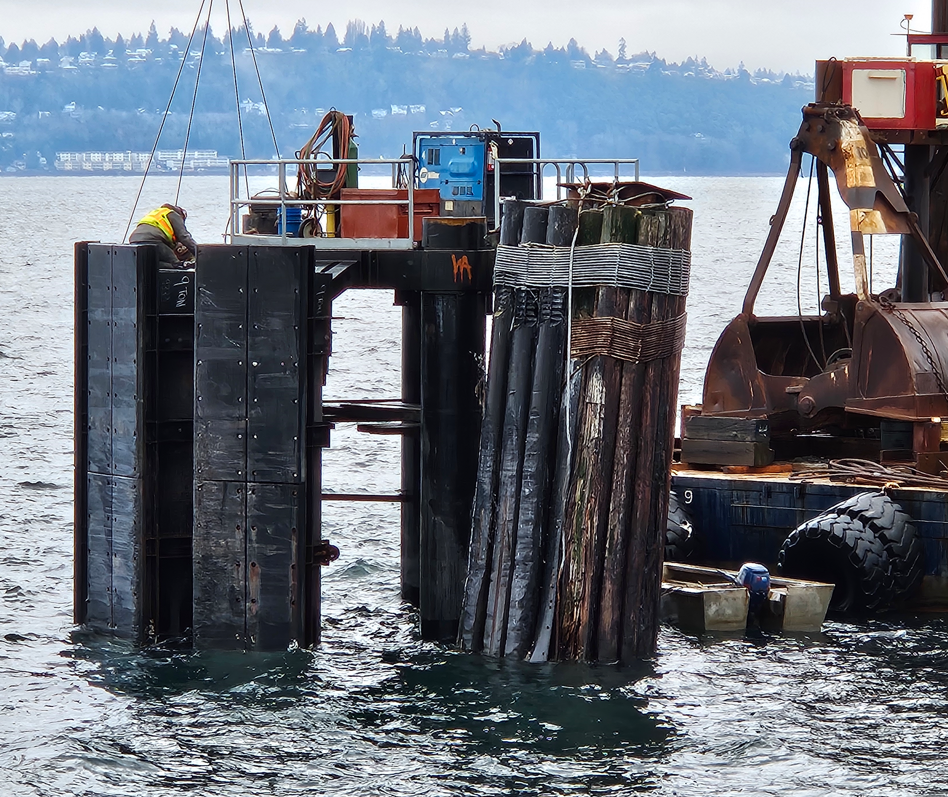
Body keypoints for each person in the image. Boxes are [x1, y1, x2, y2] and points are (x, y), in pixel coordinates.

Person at [129, 204, 196, 266]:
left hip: (134, 240)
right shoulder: (173, 214)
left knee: (152, 263)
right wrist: (199, 253)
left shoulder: (156, 213)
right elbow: (184, 237)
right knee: (175, 264)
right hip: (152, 239)